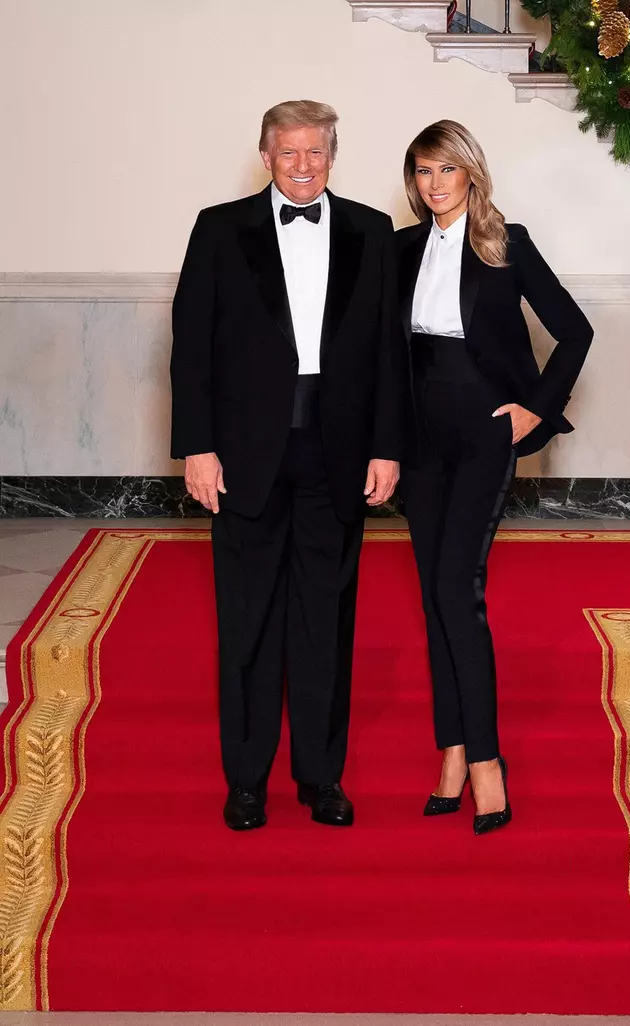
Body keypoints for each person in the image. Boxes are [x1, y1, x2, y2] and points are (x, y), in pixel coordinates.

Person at [170, 100, 406, 831]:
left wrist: (387, 445)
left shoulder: (373, 231)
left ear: (334, 154)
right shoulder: (219, 228)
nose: (304, 166)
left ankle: (320, 778)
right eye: (289, 152)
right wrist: (197, 447)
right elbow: (190, 347)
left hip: (336, 453)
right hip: (242, 456)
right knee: (246, 622)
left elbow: (389, 355)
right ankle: (246, 781)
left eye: (317, 152)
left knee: (324, 623)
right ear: (266, 155)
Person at [397, 120, 593, 835]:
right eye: (422, 171)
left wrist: (534, 412)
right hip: (419, 438)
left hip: (484, 431)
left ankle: (485, 760)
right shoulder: (402, 248)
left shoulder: (508, 243)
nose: (434, 184)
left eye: (446, 169)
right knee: (431, 596)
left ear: (471, 173)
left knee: (458, 589)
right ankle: (450, 750)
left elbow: (575, 330)